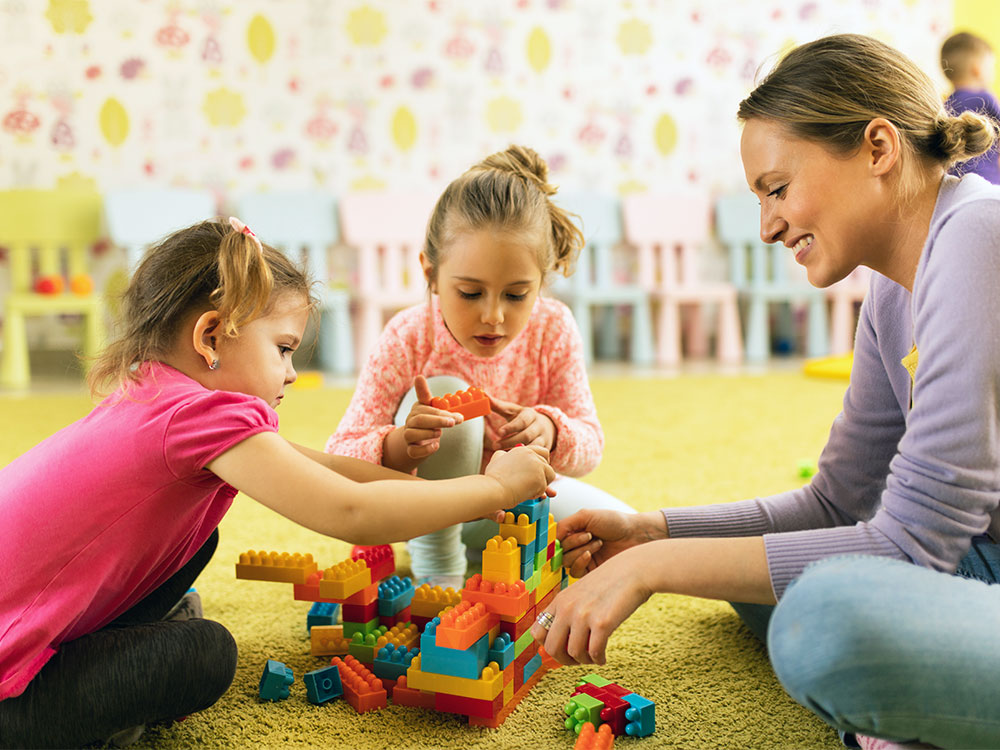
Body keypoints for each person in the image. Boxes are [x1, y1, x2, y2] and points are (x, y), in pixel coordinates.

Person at [532, 34, 1000, 750]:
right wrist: (654, 533)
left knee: (823, 620)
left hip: (955, 564)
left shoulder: (978, 236)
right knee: (764, 569)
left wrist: (657, 568)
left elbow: (910, 547)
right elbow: (833, 503)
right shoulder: (890, 291)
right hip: (975, 562)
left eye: (778, 188)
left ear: (879, 148)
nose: (768, 226)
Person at [0, 218, 554, 749]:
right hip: (9, 688)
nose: (290, 372)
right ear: (211, 335)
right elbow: (350, 511)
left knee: (200, 535)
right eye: (284, 349)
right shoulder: (201, 417)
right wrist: (498, 492)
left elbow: (327, 469)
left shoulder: (158, 394)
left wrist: (473, 487)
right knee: (206, 653)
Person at [326, 144, 634, 589]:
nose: (493, 315)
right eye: (470, 293)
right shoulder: (408, 335)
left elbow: (590, 445)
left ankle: (493, 552)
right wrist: (399, 445)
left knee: (622, 531)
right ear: (430, 273)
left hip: (517, 507)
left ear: (541, 283)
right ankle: (439, 562)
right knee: (449, 394)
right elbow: (340, 455)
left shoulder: (553, 327)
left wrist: (549, 430)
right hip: (430, 511)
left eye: (516, 295)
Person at [940, 31, 1000, 184]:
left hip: (957, 181)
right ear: (977, 69)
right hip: (991, 180)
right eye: (991, 66)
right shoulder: (985, 98)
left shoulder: (946, 104)